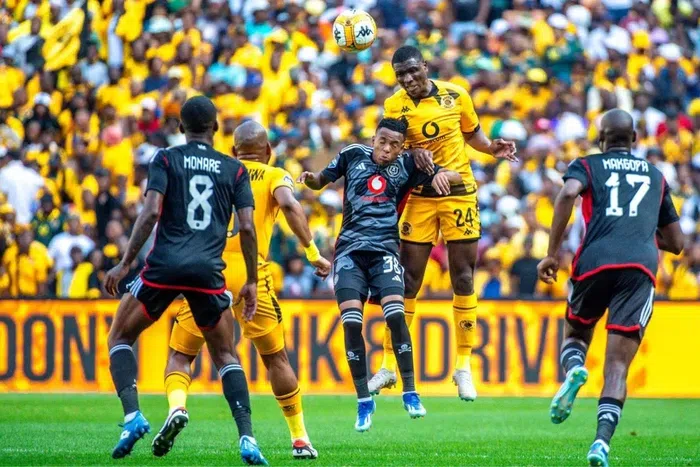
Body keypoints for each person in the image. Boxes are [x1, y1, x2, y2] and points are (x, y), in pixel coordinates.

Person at [102, 96, 268, 465]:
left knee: (120, 336)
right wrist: (252, 280)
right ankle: (248, 438)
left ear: (180, 127)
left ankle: (133, 416)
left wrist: (125, 263)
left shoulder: (165, 158)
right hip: (208, 272)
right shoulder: (234, 169)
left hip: (164, 267)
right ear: (216, 128)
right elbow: (246, 227)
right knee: (226, 355)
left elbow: (151, 212)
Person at [155, 121, 330, 460]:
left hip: (209, 272)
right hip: (253, 273)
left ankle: (177, 407)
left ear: (234, 151)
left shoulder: (218, 171)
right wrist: (312, 252)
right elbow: (290, 205)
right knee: (275, 357)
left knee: (181, 355)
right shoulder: (275, 174)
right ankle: (300, 439)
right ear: (268, 151)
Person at [537, 109, 684, 467]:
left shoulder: (588, 165)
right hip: (639, 267)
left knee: (575, 334)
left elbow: (567, 193)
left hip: (595, 258)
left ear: (601, 138)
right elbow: (677, 243)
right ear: (634, 139)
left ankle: (575, 368)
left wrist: (552, 253)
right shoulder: (656, 175)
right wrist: (638, 233)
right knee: (617, 366)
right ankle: (601, 443)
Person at [370, 45, 517, 401]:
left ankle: (463, 366)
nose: (408, 79)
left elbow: (471, 134)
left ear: (424, 65)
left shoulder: (456, 95)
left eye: (412, 71)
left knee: (463, 276)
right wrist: (413, 154)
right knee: (408, 280)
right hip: (419, 196)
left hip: (458, 192)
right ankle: (388, 365)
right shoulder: (394, 106)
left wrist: (491, 148)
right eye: (400, 75)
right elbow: (388, 150)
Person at [298, 118, 462, 431]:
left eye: (394, 145)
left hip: (385, 252)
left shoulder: (409, 165)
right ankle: (363, 400)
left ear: (402, 147)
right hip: (349, 253)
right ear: (374, 139)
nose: (386, 149)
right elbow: (322, 179)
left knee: (396, 316)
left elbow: (457, 176)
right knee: (351, 323)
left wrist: (442, 175)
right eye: (382, 141)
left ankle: (410, 391)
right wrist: (311, 180)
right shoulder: (352, 154)